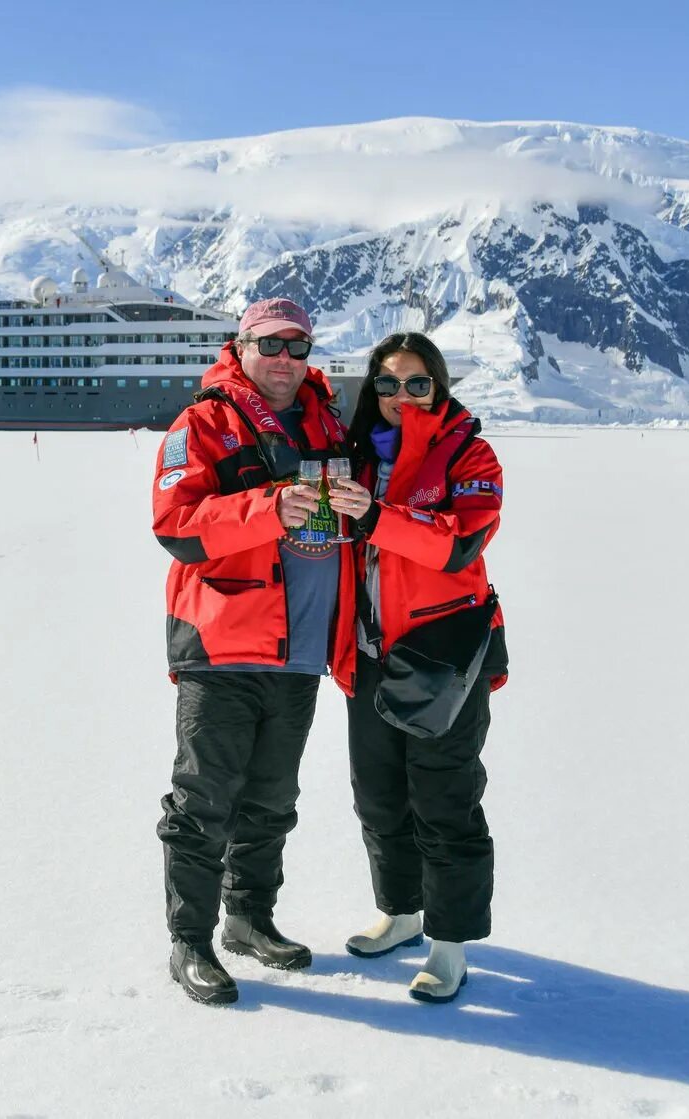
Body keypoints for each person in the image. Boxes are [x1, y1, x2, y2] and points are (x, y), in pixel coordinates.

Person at [152, 297, 358, 1006]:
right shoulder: (202, 423)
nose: (284, 359)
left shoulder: (327, 419)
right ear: (239, 346)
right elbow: (175, 522)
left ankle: (248, 917)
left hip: (300, 649)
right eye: (270, 344)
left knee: (272, 799)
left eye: (298, 346)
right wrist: (267, 507)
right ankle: (191, 941)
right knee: (205, 798)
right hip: (224, 641)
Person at [322, 331, 509, 1005]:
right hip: (367, 652)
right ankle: (401, 910)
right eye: (388, 384)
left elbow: (461, 543)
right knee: (378, 793)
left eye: (417, 383)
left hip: (444, 657)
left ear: (441, 386)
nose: (402, 396)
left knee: (444, 798)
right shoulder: (353, 459)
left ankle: (450, 942)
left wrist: (377, 515)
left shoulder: (469, 452)